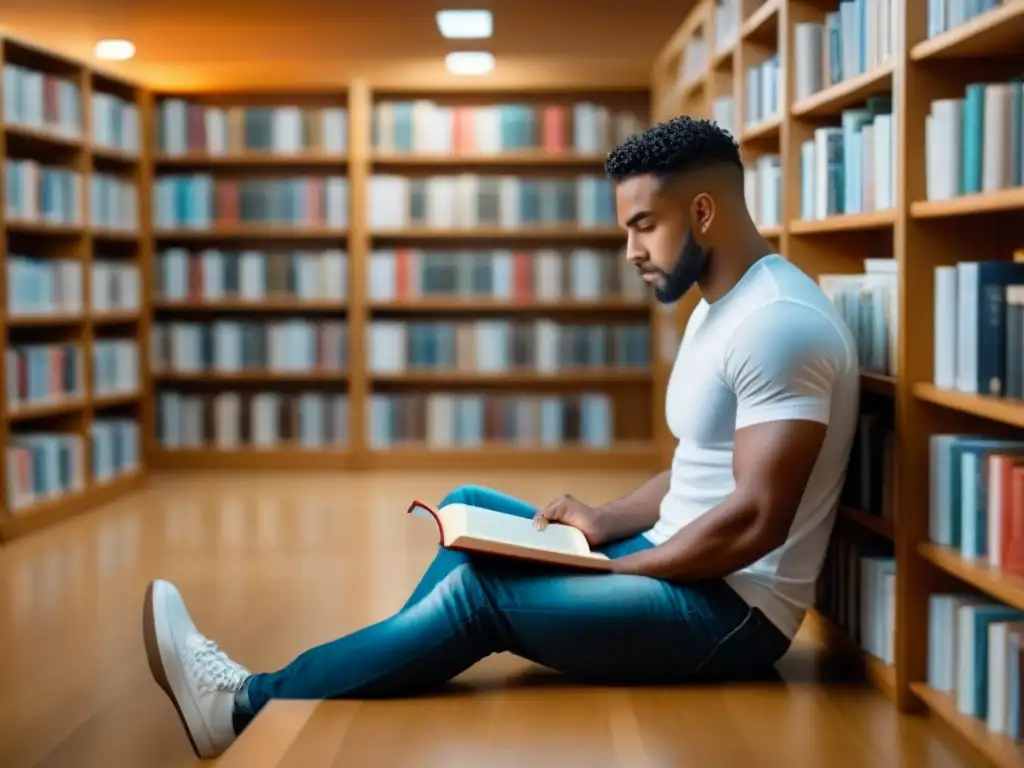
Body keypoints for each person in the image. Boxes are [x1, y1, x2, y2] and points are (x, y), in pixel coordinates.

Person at [143, 116, 860, 759]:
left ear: (703, 212)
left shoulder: (776, 322)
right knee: (469, 509)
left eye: (644, 225)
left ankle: (242, 704)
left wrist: (627, 569)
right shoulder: (720, 308)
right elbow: (697, 468)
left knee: (481, 597)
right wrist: (607, 522)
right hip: (676, 560)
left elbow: (760, 517)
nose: (631, 250)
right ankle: (383, 662)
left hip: (727, 612)